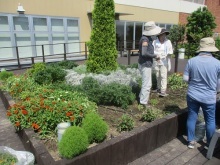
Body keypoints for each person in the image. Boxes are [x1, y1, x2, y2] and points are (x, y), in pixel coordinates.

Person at [183, 37, 220, 149]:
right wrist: (216, 91)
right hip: (209, 97)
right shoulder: (218, 63)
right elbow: (219, 83)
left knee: (192, 117)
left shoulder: (191, 61)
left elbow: (185, 78)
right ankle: (209, 144)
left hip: (192, 95)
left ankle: (190, 141)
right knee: (210, 120)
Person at [138, 21, 161, 107]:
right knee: (147, 84)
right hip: (145, 64)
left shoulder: (148, 39)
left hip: (145, 63)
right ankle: (143, 103)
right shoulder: (145, 40)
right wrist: (154, 55)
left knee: (146, 83)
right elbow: (144, 53)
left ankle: (141, 98)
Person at [152, 28, 173, 97]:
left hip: (164, 61)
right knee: (157, 75)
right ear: (159, 35)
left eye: (164, 35)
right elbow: (152, 51)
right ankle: (158, 88)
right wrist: (157, 56)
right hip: (156, 60)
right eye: (162, 35)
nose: (163, 36)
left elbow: (170, 51)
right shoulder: (155, 42)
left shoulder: (168, 42)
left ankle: (163, 91)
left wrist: (166, 54)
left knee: (163, 75)